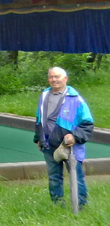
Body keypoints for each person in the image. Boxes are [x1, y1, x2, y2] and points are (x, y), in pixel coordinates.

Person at [35, 67, 94, 207]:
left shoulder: (76, 99)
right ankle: (57, 206)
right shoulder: (44, 96)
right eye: (51, 77)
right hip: (48, 144)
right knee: (54, 178)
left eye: (57, 77)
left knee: (77, 177)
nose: (54, 80)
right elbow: (39, 119)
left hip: (69, 146)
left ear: (65, 79)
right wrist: (38, 138)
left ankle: (80, 206)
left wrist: (75, 136)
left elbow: (87, 123)